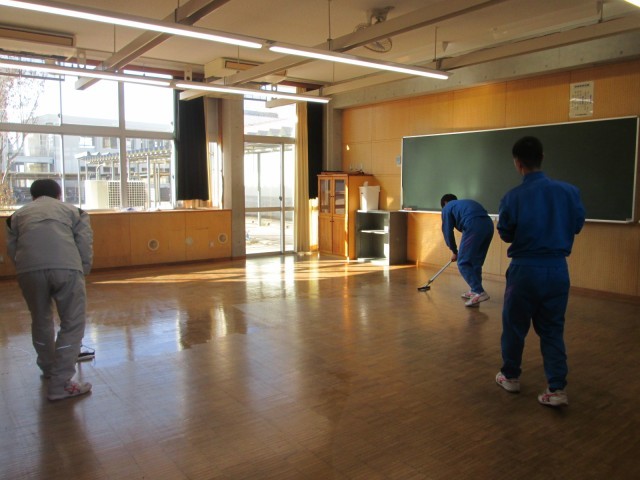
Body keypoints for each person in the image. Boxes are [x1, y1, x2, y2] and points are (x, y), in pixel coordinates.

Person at [495, 136, 585, 407]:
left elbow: (506, 234)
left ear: (517, 163)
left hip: (524, 270)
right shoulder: (569, 192)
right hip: (557, 270)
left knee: (514, 326)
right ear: (542, 157)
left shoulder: (512, 197)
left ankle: (510, 376)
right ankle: (556, 389)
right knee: (553, 329)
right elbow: (577, 225)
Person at [6, 179, 94, 401]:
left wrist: (25, 271)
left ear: (32, 196)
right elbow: (84, 242)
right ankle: (61, 383)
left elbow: (13, 248)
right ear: (59, 194)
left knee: (40, 320)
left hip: (29, 270)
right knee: (72, 324)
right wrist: (83, 269)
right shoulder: (74, 211)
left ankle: (48, 368)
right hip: (67, 267)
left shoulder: (17, 216)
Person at [440, 194, 495, 307]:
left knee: (463, 262)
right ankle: (475, 291)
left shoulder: (447, 208)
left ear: (445, 203)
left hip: (473, 225)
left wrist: (454, 251)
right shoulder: (462, 204)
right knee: (475, 262)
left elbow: (447, 232)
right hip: (489, 225)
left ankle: (479, 291)